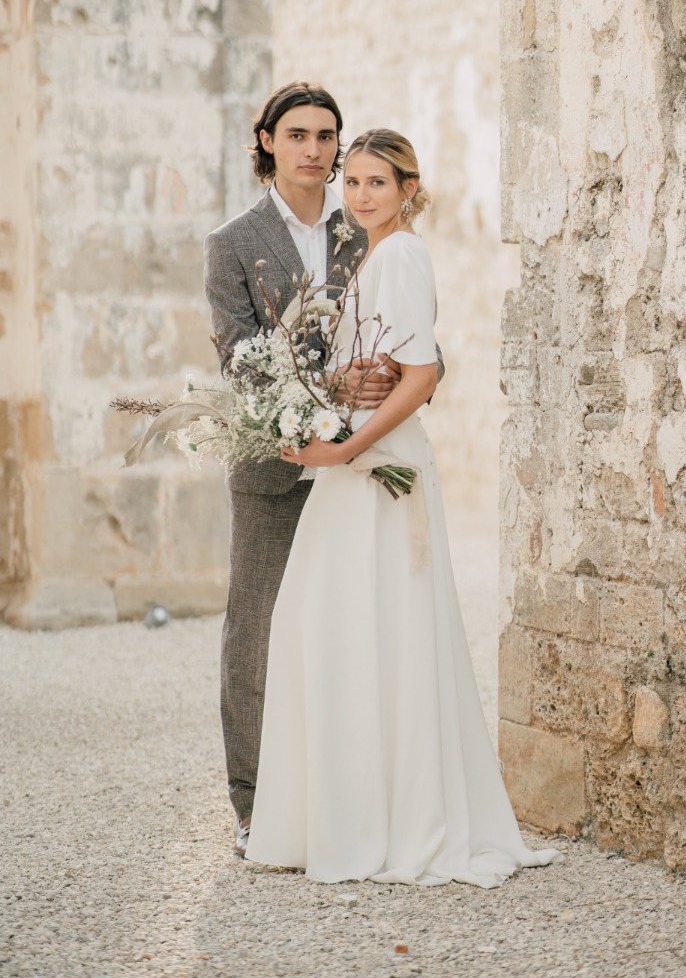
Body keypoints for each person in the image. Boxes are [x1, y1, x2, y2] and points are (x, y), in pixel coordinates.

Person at [245, 129, 560, 887]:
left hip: (380, 470)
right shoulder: (374, 258)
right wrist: (328, 398)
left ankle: (393, 822)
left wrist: (347, 450)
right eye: (351, 182)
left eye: (375, 183)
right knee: (337, 626)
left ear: (408, 190)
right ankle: (348, 816)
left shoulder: (403, 255)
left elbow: (419, 375)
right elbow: (379, 365)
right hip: (357, 462)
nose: (358, 196)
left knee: (369, 628)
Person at [204, 83, 435, 857]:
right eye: (297, 133)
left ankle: (337, 801)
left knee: (346, 630)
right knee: (260, 633)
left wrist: (380, 394)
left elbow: (418, 346)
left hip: (360, 469)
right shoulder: (232, 243)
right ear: (266, 140)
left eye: (326, 135)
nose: (314, 148)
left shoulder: (363, 228)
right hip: (277, 466)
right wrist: (323, 393)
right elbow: (239, 360)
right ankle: (254, 805)